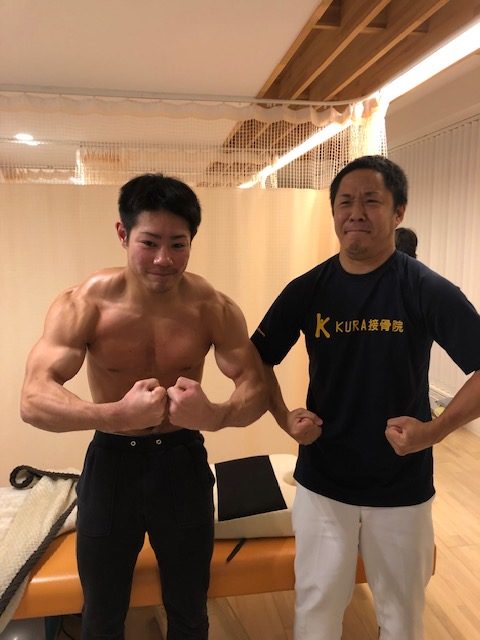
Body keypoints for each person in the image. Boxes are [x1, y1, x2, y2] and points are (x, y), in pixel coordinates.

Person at [20, 173, 267, 640]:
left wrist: (214, 416)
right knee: (101, 614)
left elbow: (255, 387)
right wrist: (115, 416)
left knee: (190, 610)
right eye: (149, 242)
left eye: (178, 244)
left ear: (192, 241)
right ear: (123, 233)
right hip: (113, 465)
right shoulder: (85, 304)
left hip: (182, 463)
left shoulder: (212, 307)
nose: (163, 259)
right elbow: (33, 400)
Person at [251, 155, 480, 640]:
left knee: (401, 617)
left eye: (371, 200)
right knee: (316, 609)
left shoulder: (425, 288)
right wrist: (282, 417)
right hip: (323, 481)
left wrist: (434, 431)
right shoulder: (308, 289)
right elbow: (257, 359)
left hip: (401, 485)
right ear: (333, 212)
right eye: (345, 202)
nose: (356, 212)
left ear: (398, 212)